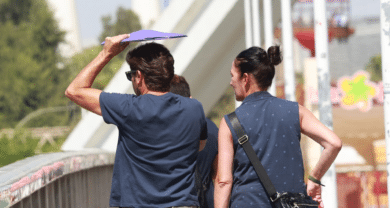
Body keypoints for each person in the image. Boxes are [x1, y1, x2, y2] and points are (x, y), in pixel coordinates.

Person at [65, 34, 207, 208]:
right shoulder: (194, 108)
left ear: (138, 76)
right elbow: (200, 145)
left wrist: (107, 54)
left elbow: (74, 90)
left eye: (130, 75)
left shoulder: (128, 108)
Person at [214, 46, 342, 208]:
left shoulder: (230, 122)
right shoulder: (296, 111)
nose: (231, 82)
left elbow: (224, 181)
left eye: (233, 76)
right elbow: (334, 143)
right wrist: (314, 179)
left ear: (245, 78)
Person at [170, 75, 218, 208]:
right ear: (190, 99)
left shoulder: (161, 132)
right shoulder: (212, 128)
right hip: (205, 201)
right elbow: (218, 174)